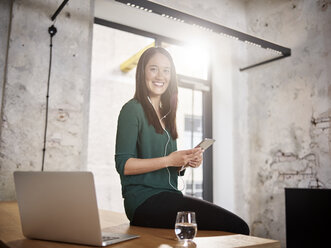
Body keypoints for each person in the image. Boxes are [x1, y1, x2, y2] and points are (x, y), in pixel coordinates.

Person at [115, 47, 249, 235]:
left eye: (166, 70)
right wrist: (170, 160)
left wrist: (184, 163)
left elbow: (166, 166)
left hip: (168, 196)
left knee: (235, 227)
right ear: (142, 72)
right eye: (153, 69)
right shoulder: (132, 110)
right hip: (142, 202)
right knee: (238, 227)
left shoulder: (166, 115)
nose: (160, 76)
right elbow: (124, 165)